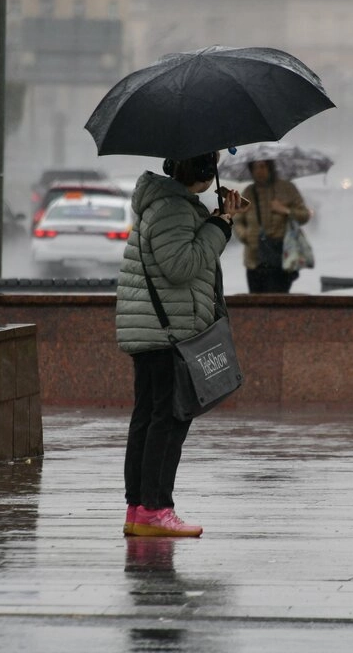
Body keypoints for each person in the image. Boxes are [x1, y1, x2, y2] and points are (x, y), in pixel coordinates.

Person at [115, 151, 247, 537]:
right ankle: (155, 509)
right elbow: (182, 266)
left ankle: (140, 510)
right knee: (168, 419)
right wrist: (221, 224)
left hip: (156, 330)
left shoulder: (165, 204)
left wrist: (214, 217)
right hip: (168, 331)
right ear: (204, 173)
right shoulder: (172, 208)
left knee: (149, 418)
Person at [232, 160, 311, 293]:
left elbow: (304, 215)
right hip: (254, 260)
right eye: (255, 168)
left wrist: (285, 210)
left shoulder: (287, 188)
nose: (259, 171)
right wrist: (244, 235)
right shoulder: (249, 192)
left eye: (262, 166)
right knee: (256, 305)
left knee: (277, 302)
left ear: (270, 167)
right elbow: (238, 220)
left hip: (280, 258)